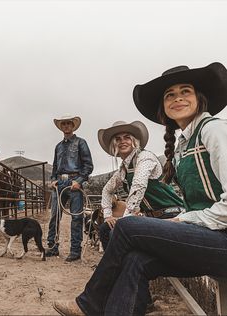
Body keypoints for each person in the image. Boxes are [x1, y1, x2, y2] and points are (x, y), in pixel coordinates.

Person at [53, 62, 227, 316]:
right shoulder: (179, 146)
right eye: (170, 95)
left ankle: (89, 303)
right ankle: (127, 303)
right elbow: (107, 192)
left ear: (200, 98)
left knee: (125, 227)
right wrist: (108, 212)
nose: (177, 98)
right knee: (135, 259)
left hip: (215, 234)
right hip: (202, 233)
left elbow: (139, 187)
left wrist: (180, 219)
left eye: (185, 91)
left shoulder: (213, 130)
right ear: (164, 108)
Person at [97, 120, 184, 250]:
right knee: (105, 228)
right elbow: (107, 190)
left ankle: (119, 265)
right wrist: (108, 215)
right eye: (118, 139)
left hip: (170, 213)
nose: (122, 141)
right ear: (114, 144)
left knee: (121, 235)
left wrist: (126, 219)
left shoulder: (145, 157)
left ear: (134, 141)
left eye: (127, 137)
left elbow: (139, 185)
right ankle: (116, 266)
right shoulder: (123, 170)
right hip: (150, 217)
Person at [46, 114, 94, 262]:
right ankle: (53, 246)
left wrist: (79, 180)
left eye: (68, 123)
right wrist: (53, 179)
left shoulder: (81, 143)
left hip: (74, 182)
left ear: (73, 126)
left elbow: (88, 165)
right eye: (64, 124)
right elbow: (55, 166)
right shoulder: (58, 146)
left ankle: (75, 250)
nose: (66, 126)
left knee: (76, 216)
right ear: (61, 127)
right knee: (55, 215)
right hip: (59, 183)